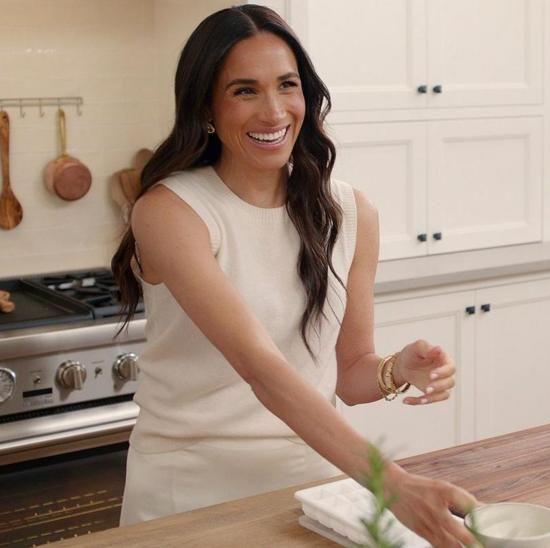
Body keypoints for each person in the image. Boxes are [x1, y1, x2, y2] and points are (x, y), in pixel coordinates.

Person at [110, 5, 477, 546]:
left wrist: (398, 368)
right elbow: (262, 369)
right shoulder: (171, 212)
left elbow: (348, 374)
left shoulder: (350, 212)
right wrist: (393, 484)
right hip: (188, 495)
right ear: (206, 107)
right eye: (244, 91)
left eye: (288, 85)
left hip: (313, 490)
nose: (274, 110)